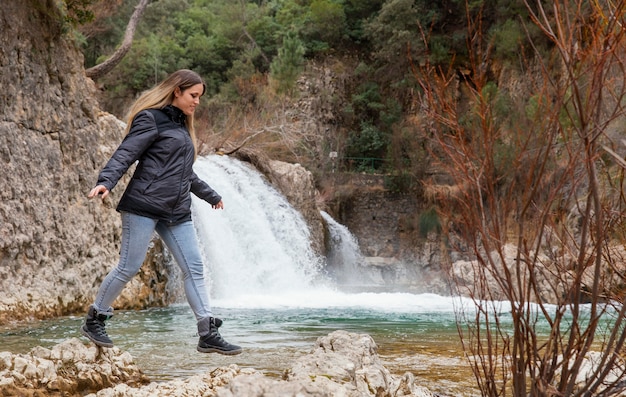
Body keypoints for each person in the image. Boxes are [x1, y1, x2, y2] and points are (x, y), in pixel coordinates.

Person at [81, 69, 241, 355]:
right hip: (143, 205)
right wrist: (106, 181)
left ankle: (207, 332)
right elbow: (125, 153)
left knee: (194, 268)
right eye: (194, 96)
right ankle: (96, 318)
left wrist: (210, 195)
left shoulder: (182, 127)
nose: (197, 102)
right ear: (177, 91)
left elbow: (184, 174)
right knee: (129, 267)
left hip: (176, 210)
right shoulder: (151, 119)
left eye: (200, 97)